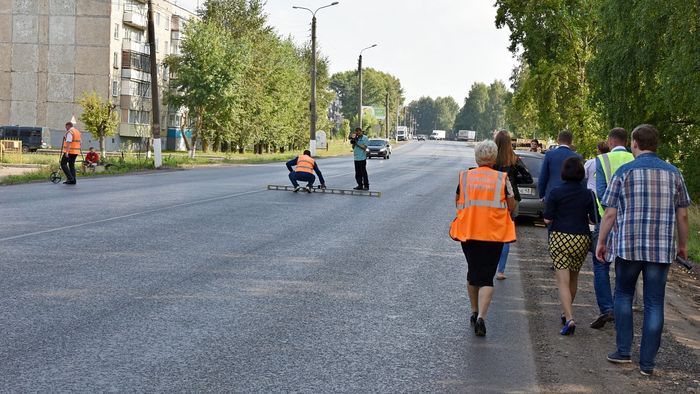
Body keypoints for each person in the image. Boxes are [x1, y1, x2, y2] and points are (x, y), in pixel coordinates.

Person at [596, 124, 690, 376]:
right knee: (654, 302)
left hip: (628, 245)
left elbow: (610, 213)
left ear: (634, 144)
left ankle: (623, 351)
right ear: (656, 144)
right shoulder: (674, 173)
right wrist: (682, 245)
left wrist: (602, 242)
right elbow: (682, 215)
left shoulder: (624, 172)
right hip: (660, 248)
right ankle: (647, 363)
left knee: (624, 295)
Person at [449, 140, 516, 337]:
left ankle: (474, 311)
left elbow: (458, 202)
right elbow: (511, 205)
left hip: (469, 233)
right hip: (494, 235)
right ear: (494, 158)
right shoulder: (502, 179)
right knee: (487, 276)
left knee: (473, 271)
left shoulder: (465, 177)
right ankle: (482, 318)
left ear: (477, 158)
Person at [544, 157, 597, 335]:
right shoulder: (588, 194)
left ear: (564, 172)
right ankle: (566, 313)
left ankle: (569, 318)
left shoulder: (556, 192)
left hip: (560, 238)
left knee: (562, 281)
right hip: (581, 239)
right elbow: (593, 219)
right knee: (573, 279)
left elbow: (547, 219)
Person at [589, 128, 634, 329]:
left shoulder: (603, 160)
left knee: (601, 263)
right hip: (630, 221)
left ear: (609, 141)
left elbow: (600, 191)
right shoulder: (635, 158)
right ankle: (621, 305)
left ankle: (606, 308)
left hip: (605, 218)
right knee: (626, 264)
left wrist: (609, 213)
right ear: (627, 142)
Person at [493, 130, 533, 280]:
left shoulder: (492, 159)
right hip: (512, 199)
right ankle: (501, 270)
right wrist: (514, 182)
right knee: (505, 235)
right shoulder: (515, 159)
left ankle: (490, 265)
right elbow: (528, 179)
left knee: (492, 233)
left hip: (494, 198)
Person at [538, 130, 582, 201]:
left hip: (551, 194)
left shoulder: (549, 154)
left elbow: (543, 177)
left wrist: (542, 194)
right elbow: (581, 179)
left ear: (558, 140)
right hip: (571, 196)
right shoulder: (577, 157)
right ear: (571, 141)